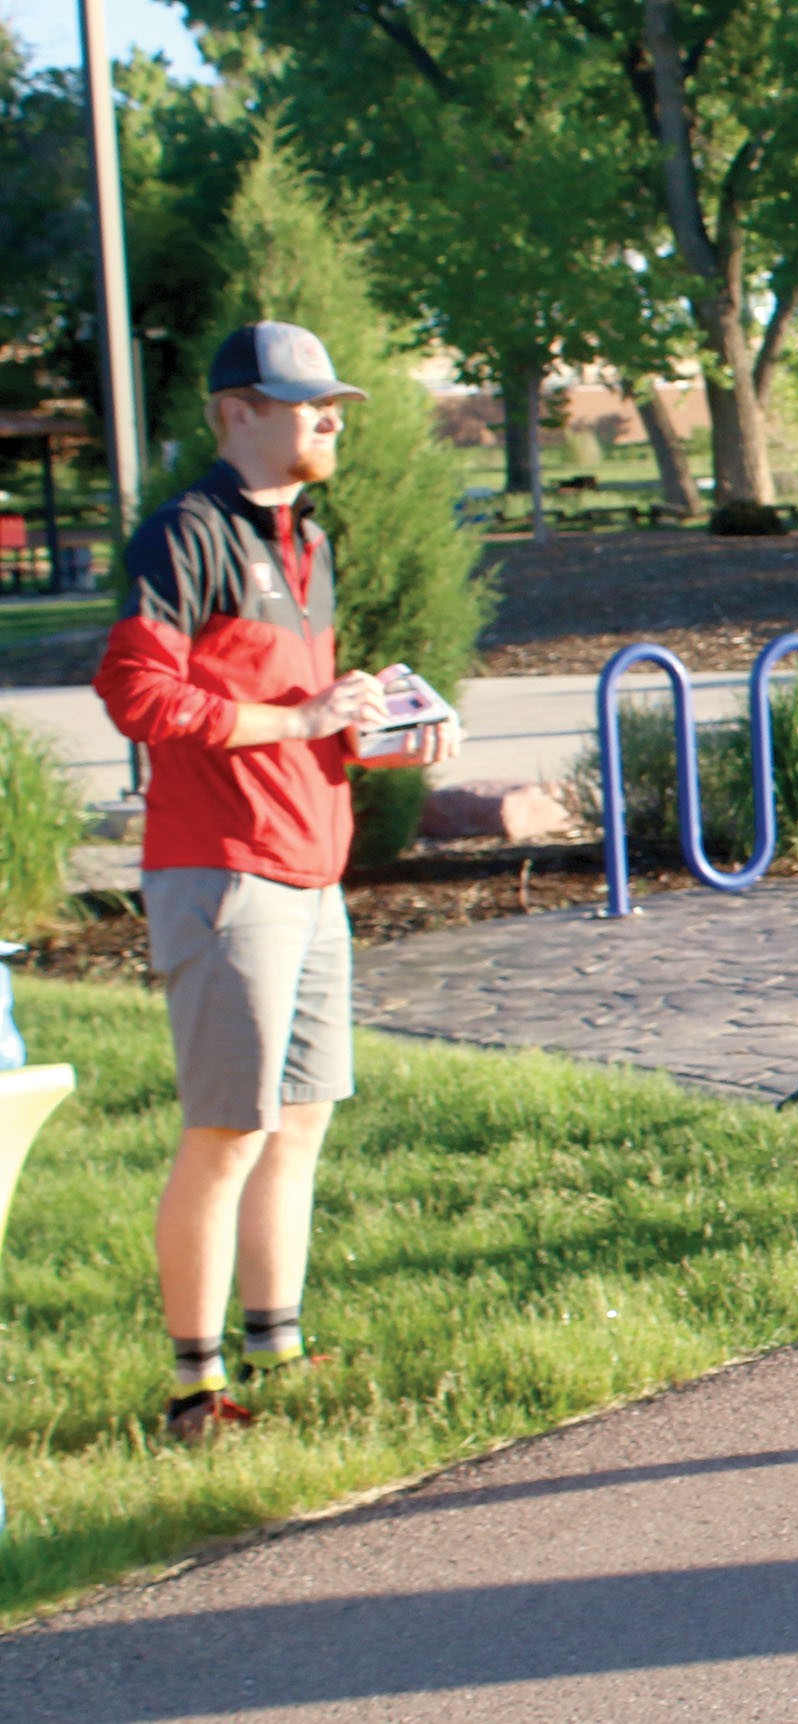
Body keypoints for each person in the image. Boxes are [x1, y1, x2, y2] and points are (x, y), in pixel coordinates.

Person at [92, 322, 459, 1443]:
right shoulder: (186, 533)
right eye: (305, 402)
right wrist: (296, 717)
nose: (331, 416)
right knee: (227, 1130)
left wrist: (366, 729)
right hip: (223, 872)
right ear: (235, 413)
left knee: (299, 1120)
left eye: (332, 400)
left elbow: (290, 710)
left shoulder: (309, 539)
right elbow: (136, 694)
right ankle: (195, 1392)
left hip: (312, 868)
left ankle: (276, 1345)